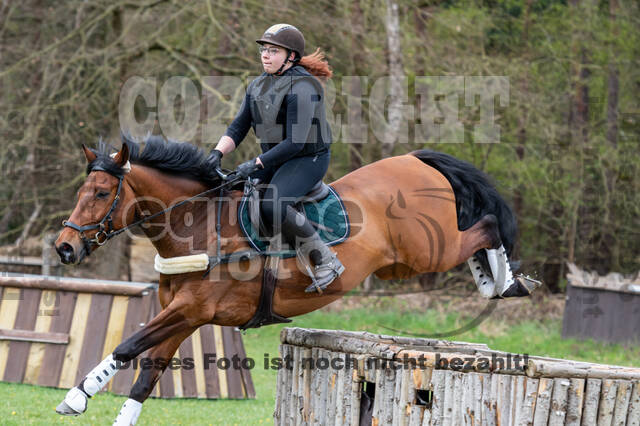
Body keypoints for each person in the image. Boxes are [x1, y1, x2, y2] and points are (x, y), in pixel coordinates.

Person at [205, 24, 343, 292]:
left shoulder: (304, 88)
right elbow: (238, 127)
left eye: (273, 50)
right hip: (276, 158)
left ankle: (326, 259)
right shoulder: (258, 85)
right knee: (232, 189)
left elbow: (296, 142)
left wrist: (256, 163)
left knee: (272, 205)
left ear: (291, 57)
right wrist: (217, 152)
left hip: (307, 159)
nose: (265, 55)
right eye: (263, 50)